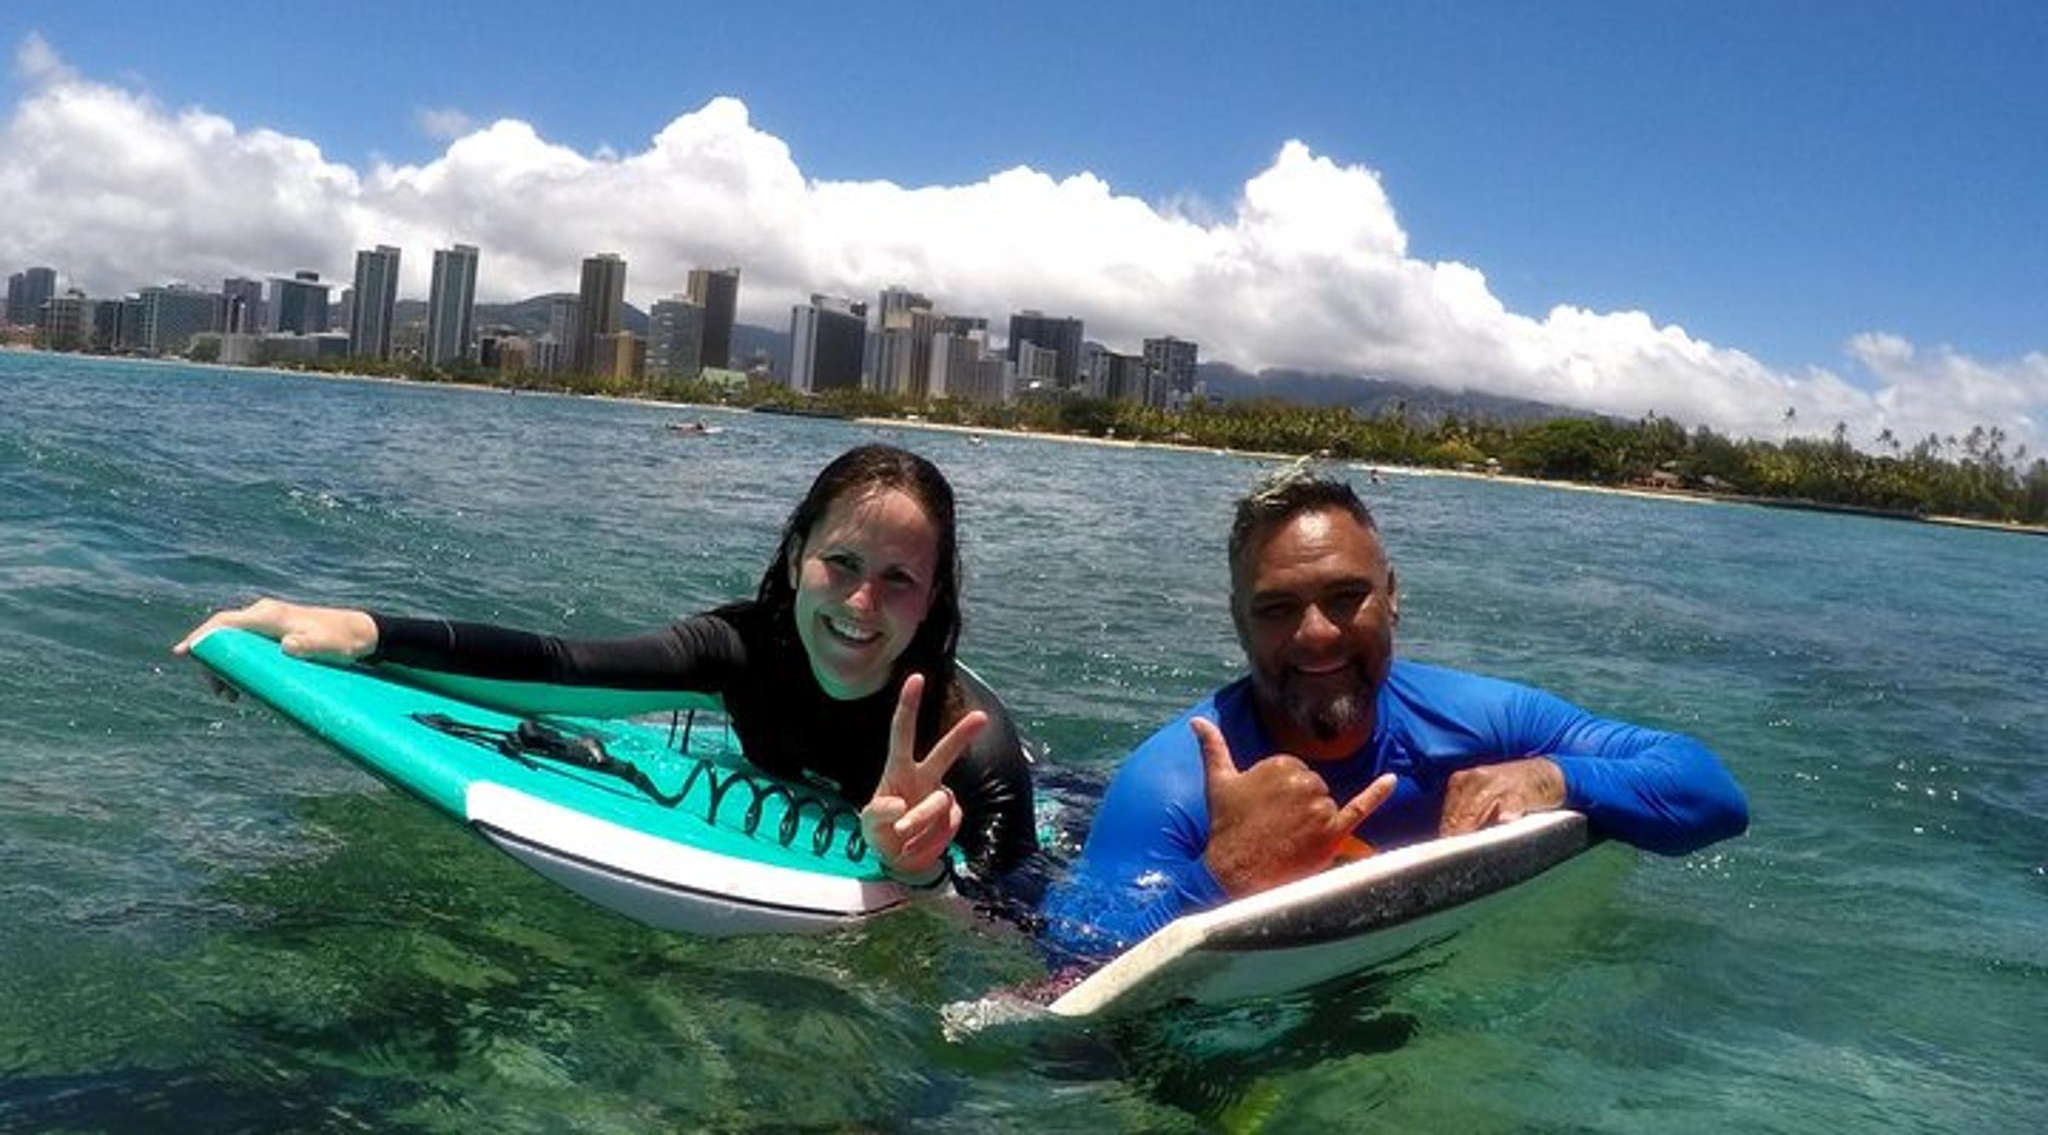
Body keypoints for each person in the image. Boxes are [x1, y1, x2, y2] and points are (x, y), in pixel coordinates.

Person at [175, 444, 1037, 884]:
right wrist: (362, 630)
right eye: (841, 564)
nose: (858, 605)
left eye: (898, 581)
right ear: (797, 550)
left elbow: (1010, 930)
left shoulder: (973, 750)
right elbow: (567, 666)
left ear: (932, 601)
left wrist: (916, 868)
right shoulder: (746, 646)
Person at [1044, 469, 1749, 958]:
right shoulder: (1173, 780)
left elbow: (1711, 793)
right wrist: (1223, 873)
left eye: (1347, 596)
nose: (1317, 633)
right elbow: (1070, 954)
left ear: (1393, 596)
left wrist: (1552, 778)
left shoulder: (1476, 720)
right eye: (1277, 607)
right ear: (1237, 621)